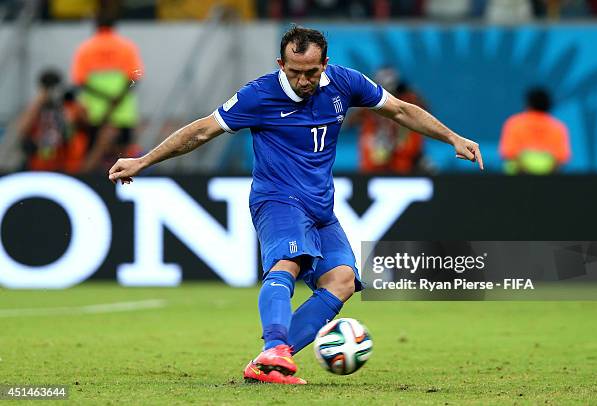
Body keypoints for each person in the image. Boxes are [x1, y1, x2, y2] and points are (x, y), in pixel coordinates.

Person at [108, 26, 483, 385]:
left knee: (343, 281)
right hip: (277, 200)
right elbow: (203, 130)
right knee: (287, 263)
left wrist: (452, 137)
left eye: (312, 72)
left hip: (321, 207)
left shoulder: (345, 82)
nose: (304, 81)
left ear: (325, 64)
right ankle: (273, 349)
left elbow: (400, 110)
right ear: (280, 65)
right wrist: (143, 161)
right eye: (295, 72)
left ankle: (270, 360)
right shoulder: (259, 95)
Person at [71, 11, 144, 173]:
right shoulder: (126, 47)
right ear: (114, 25)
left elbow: (80, 82)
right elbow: (135, 78)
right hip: (123, 114)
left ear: (95, 25)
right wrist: (116, 98)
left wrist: (104, 98)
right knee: (126, 158)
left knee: (93, 159)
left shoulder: (85, 49)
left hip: (96, 115)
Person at [352, 66, 428, 174]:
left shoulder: (407, 102)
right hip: (372, 168)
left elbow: (425, 112)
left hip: (403, 167)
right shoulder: (366, 105)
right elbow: (347, 121)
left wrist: (409, 90)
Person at [16, 69, 89, 172]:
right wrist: (39, 102)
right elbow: (22, 129)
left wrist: (73, 101)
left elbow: (86, 123)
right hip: (39, 164)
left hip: (68, 163)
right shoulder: (36, 109)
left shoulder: (69, 105)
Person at [499, 88, 570, 175]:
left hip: (518, 178)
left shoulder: (514, 123)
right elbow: (561, 158)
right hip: (549, 178)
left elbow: (508, 153)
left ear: (528, 104)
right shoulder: (558, 126)